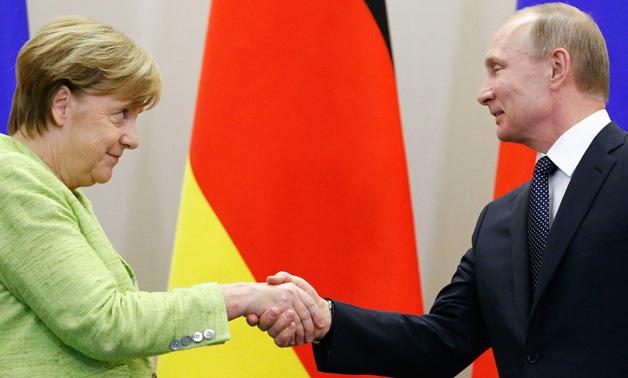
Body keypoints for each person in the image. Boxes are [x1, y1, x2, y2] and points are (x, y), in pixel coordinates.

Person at [251, 2, 628, 376]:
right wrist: (328, 319)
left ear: (556, 67)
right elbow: (441, 342)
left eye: (497, 69)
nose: (483, 93)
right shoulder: (499, 222)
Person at [0, 16, 325, 376]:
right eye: (120, 114)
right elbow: (105, 323)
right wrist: (243, 297)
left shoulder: (49, 185)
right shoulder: (12, 181)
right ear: (62, 104)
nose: (132, 138)